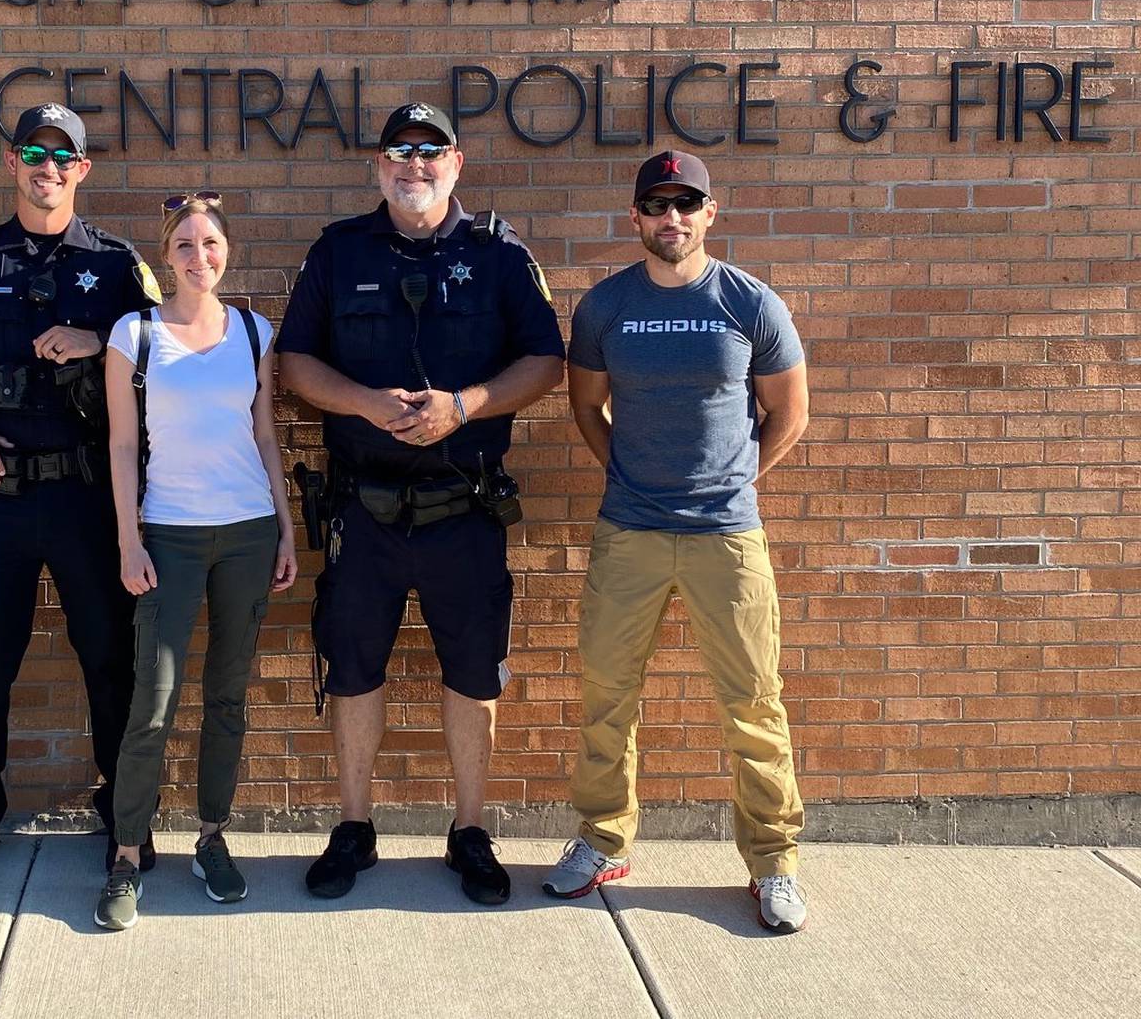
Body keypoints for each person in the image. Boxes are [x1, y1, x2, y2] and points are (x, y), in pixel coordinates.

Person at [276, 102, 565, 906]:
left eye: (430, 150)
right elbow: (295, 361)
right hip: (361, 513)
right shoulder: (339, 252)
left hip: (464, 511)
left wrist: (466, 404)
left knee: (472, 676)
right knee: (354, 671)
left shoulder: (498, 254)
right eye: (399, 151)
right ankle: (355, 826)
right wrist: (365, 404)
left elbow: (547, 360)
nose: (414, 164)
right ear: (378, 166)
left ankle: (470, 830)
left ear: (456, 163)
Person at [542, 149, 811, 933]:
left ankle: (773, 863)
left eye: (686, 205)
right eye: (657, 206)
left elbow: (790, 414)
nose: (672, 219)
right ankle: (601, 841)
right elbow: (587, 410)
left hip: (727, 537)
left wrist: (734, 481)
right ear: (635, 218)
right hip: (630, 530)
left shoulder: (751, 304)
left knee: (753, 702)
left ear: (709, 214)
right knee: (606, 697)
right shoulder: (604, 308)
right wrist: (630, 475)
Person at [0, 103, 161, 885]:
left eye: (64, 156)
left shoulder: (117, 267)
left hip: (88, 498)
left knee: (113, 662)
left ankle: (126, 822)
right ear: (13, 162)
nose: (49, 167)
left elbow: (170, 360)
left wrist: (106, 339)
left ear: (83, 170)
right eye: (34, 152)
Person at [93, 194, 298, 931]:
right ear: (165, 256)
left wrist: (285, 529)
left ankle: (212, 835)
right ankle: (124, 854)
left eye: (210, 242)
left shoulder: (253, 330)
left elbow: (265, 436)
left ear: (227, 250)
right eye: (184, 244)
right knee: (153, 702)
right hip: (170, 536)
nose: (198, 255)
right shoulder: (133, 334)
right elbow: (120, 447)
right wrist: (128, 541)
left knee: (229, 697)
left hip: (245, 531)